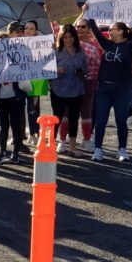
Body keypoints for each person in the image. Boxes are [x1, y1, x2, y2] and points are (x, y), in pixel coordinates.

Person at [85, 3, 132, 161]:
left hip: (122, 90)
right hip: (104, 89)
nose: (109, 31)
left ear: (120, 31)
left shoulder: (129, 46)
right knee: (101, 119)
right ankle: (98, 149)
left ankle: (122, 150)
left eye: (112, 29)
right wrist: (87, 12)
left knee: (121, 121)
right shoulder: (107, 44)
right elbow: (95, 31)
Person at [57, 17, 101, 153]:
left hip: (88, 83)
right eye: (78, 27)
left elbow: (97, 67)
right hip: (69, 83)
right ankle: (64, 141)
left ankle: (85, 141)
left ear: (89, 30)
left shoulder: (94, 47)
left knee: (85, 112)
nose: (79, 29)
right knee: (67, 113)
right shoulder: (66, 47)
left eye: (83, 27)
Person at [0, 23, 29, 165]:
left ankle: (16, 153)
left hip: (16, 97)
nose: (0, 47)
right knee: (3, 126)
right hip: (1, 98)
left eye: (3, 44)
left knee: (16, 125)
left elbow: (28, 66)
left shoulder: (16, 58)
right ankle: (1, 152)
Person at [50, 24, 87, 157]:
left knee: (74, 118)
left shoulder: (80, 51)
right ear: (61, 37)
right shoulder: (56, 51)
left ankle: (72, 148)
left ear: (74, 38)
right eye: (65, 37)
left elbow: (86, 69)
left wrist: (82, 72)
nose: (68, 40)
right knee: (56, 118)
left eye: (70, 37)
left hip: (76, 89)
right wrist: (56, 70)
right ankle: (51, 147)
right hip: (59, 90)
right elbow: (46, 70)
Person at [23, 20, 46, 145]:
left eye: (31, 28)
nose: (28, 30)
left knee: (33, 108)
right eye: (26, 28)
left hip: (35, 81)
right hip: (20, 80)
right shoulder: (18, 43)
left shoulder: (42, 45)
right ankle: (21, 134)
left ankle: (33, 133)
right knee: (19, 108)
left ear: (36, 31)